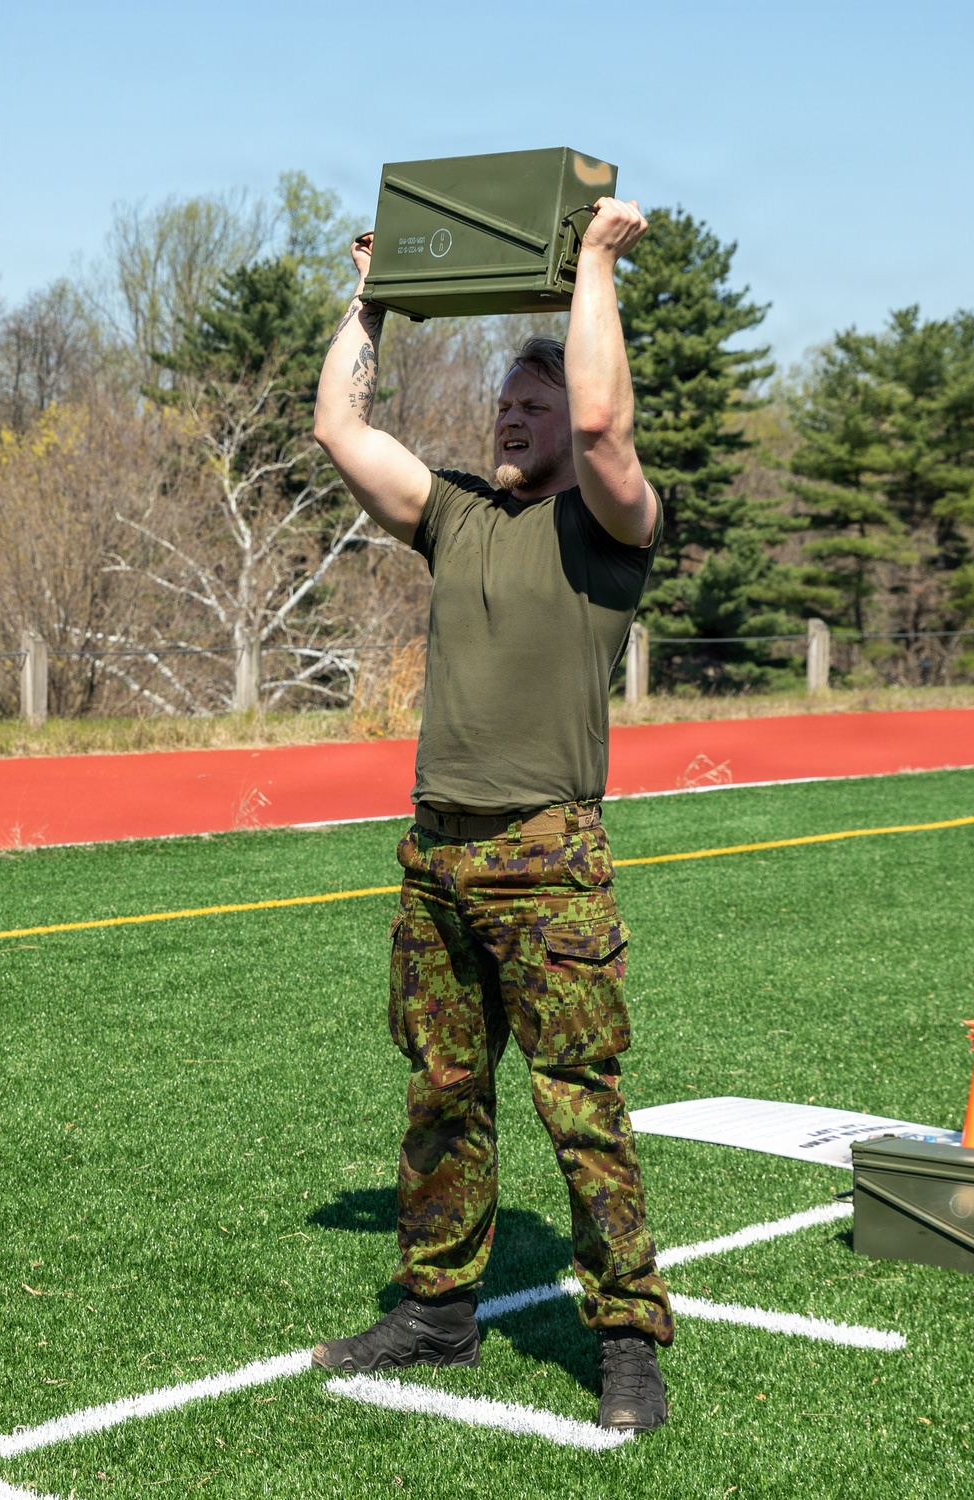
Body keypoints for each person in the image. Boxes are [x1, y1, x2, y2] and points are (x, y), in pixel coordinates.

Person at [310, 198, 674, 1433]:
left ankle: (625, 1337)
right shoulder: (457, 516)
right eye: (503, 408)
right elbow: (339, 425)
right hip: (438, 853)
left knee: (579, 1104)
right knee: (441, 1093)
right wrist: (374, 298)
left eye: (532, 408)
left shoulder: (609, 524)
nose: (512, 422)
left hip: (545, 855)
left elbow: (604, 419)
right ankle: (436, 1310)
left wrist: (586, 263)